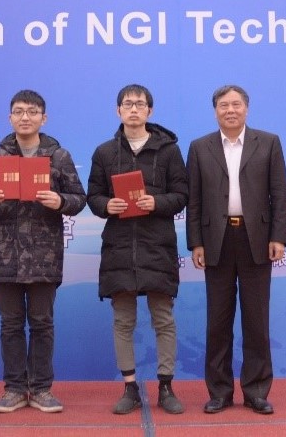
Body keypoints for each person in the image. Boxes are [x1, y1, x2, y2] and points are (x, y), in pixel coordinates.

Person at [0, 89, 86, 414]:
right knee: (10, 325)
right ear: (10, 117)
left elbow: (79, 199)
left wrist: (60, 201)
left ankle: (43, 389)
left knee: (42, 323)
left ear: (43, 118)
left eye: (32, 112)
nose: (25, 117)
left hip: (44, 256)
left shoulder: (58, 156)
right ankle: (15, 389)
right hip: (3, 256)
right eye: (19, 111)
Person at [185, 85, 286, 415]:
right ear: (215, 110)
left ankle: (256, 391)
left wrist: (278, 237)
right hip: (215, 239)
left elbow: (279, 194)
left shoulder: (268, 142)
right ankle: (220, 391)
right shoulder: (200, 147)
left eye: (236, 104)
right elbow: (194, 200)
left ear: (246, 108)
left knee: (256, 319)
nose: (230, 110)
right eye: (223, 105)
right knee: (218, 320)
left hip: (256, 238)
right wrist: (196, 242)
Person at [86, 84, 188, 415]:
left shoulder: (169, 150)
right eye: (127, 104)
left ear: (149, 111)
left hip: (157, 244)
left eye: (140, 104)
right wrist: (107, 205)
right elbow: (93, 196)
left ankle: (166, 387)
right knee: (123, 320)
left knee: (163, 319)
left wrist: (156, 202)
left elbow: (182, 194)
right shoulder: (104, 152)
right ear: (118, 111)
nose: (133, 109)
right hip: (119, 246)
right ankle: (130, 387)